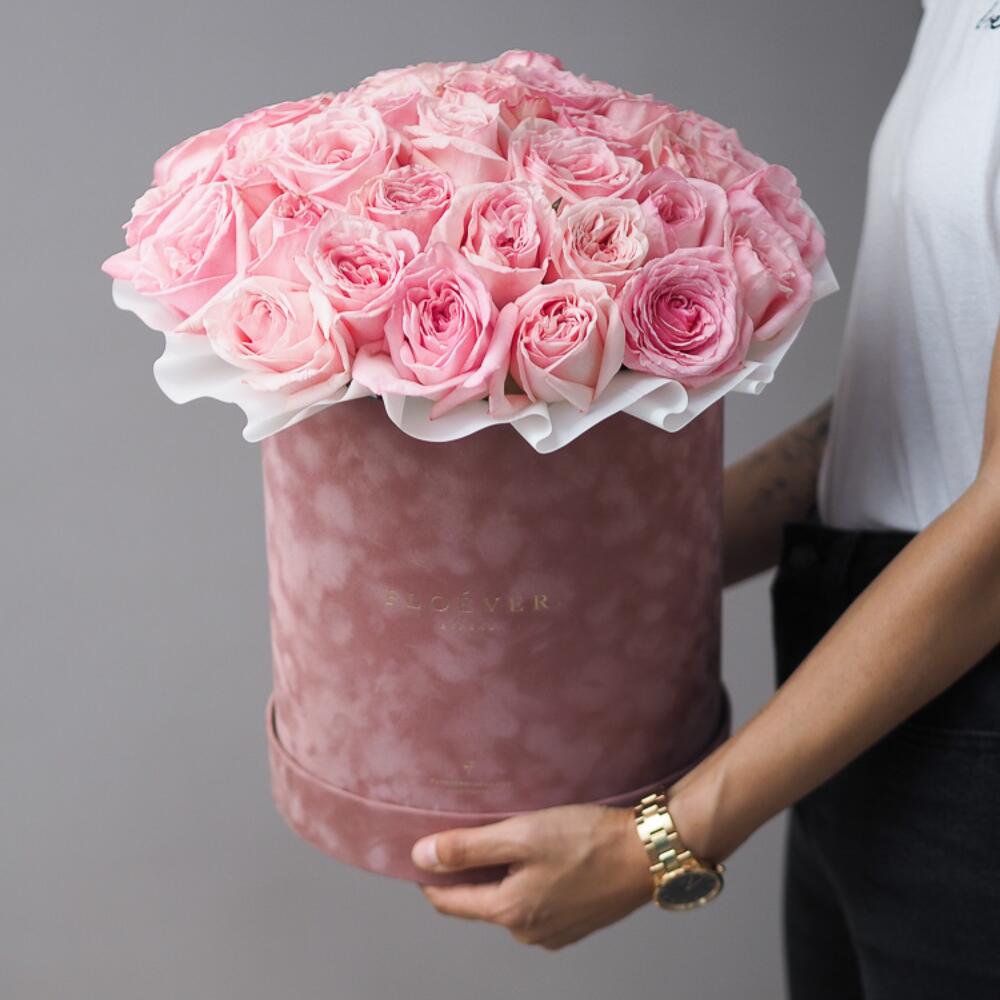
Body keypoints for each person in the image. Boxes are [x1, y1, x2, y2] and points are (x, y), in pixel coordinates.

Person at [409, 2, 1000, 995]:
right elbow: (922, 414)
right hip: (861, 698)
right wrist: (595, 576)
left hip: (967, 699)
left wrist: (658, 842)